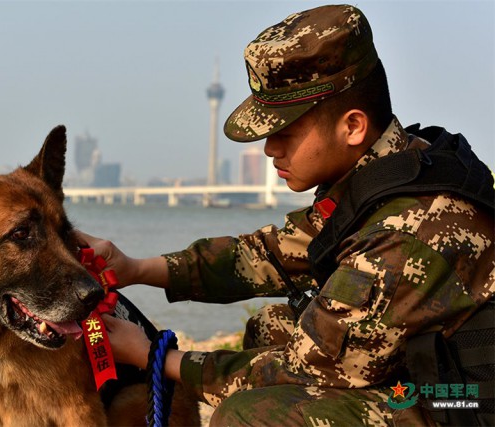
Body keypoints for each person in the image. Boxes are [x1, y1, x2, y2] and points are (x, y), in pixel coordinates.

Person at [77, 4, 494, 426]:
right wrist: (135, 268)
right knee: (272, 325)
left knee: (250, 414)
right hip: (422, 373)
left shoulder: (405, 232)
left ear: (352, 126)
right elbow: (271, 254)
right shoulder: (388, 171)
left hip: (460, 404)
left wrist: (154, 356)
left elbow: (305, 365)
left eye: (285, 132)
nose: (269, 149)